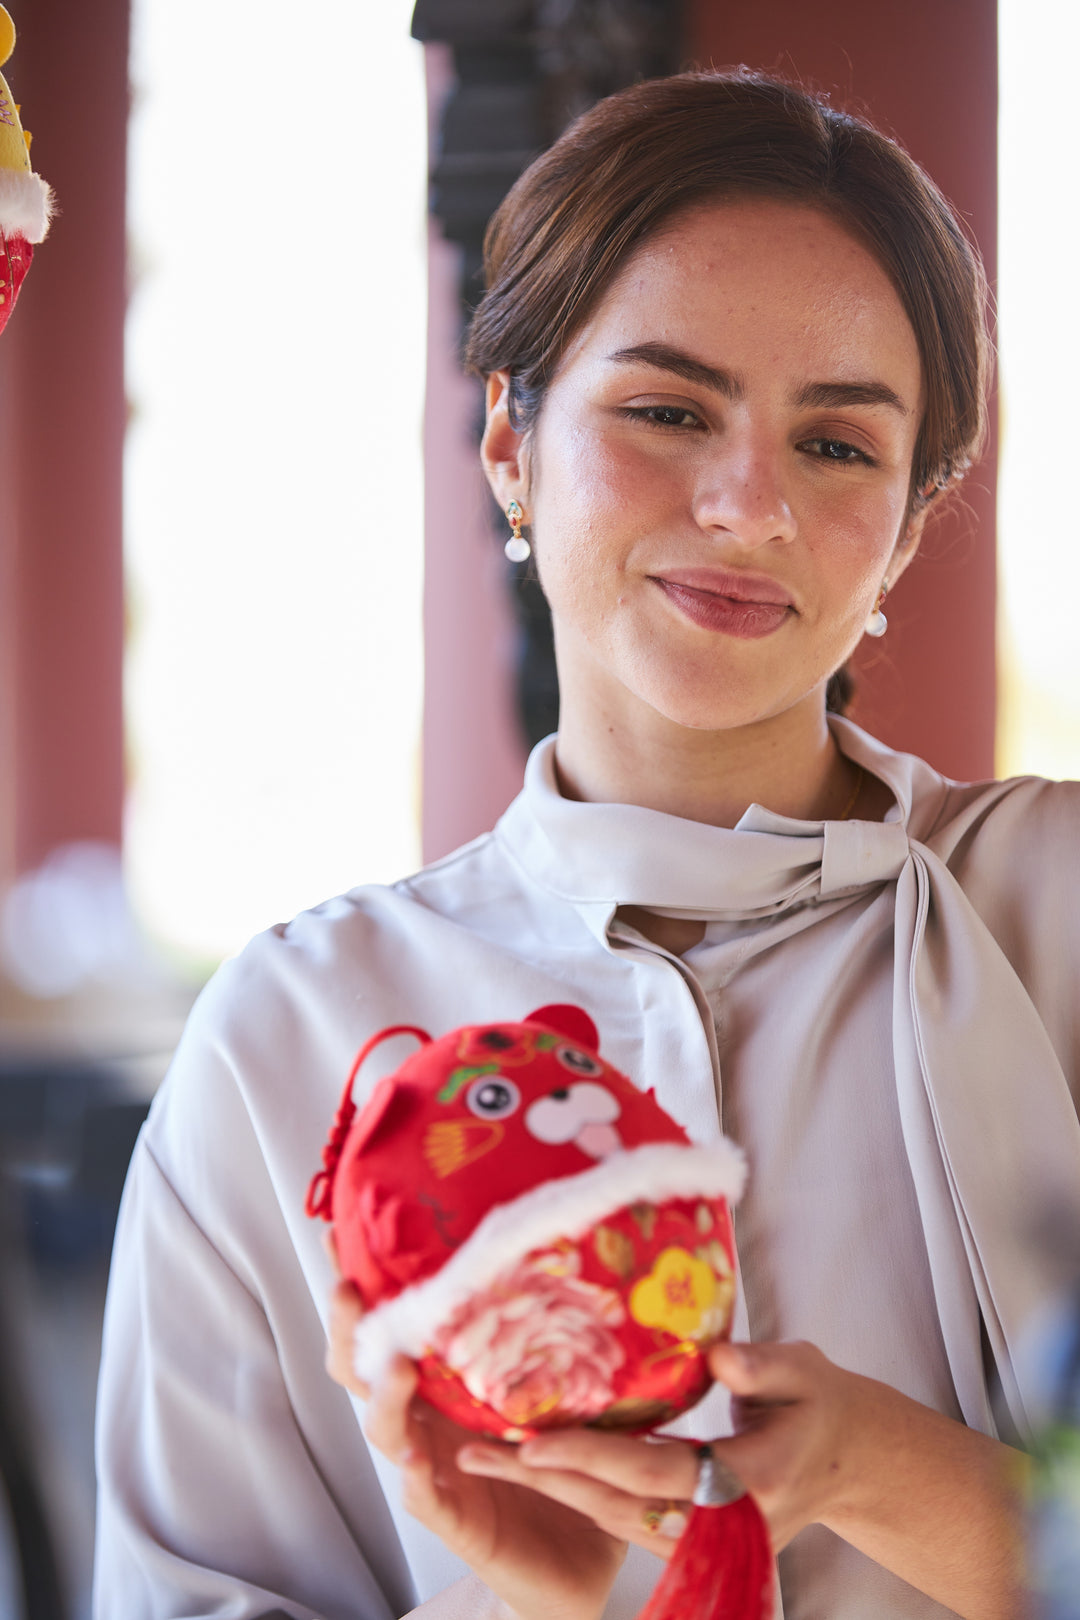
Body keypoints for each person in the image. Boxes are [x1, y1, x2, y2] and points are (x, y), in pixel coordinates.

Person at [93, 70, 1080, 1620]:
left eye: (837, 447)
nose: (748, 503)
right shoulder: (291, 1037)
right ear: (508, 445)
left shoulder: (1060, 915)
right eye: (668, 411)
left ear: (904, 527)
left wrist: (877, 1471)